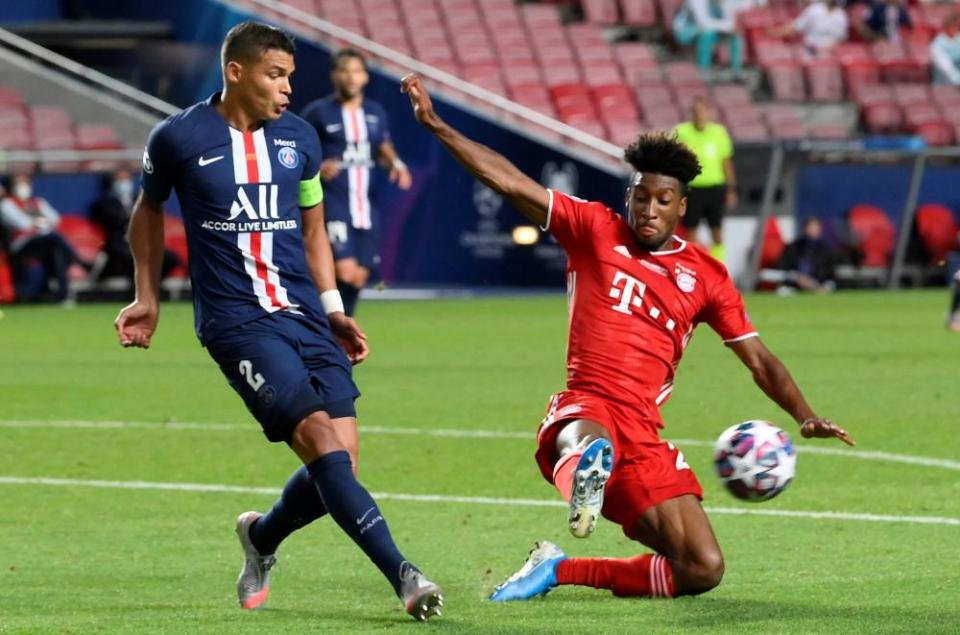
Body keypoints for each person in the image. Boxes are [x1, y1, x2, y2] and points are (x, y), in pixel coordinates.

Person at [401, 73, 855, 602]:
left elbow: (758, 359)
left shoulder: (706, 276)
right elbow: (510, 181)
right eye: (641, 198)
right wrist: (437, 126)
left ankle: (557, 568)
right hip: (588, 401)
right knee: (587, 439)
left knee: (701, 567)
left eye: (663, 200)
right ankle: (585, 478)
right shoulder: (594, 229)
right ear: (629, 197)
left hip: (643, 430)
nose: (650, 210)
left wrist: (804, 413)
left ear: (681, 206)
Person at [114, 22, 443, 621]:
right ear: (235, 72)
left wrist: (335, 308)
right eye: (276, 75)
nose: (288, 88)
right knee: (320, 442)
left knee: (341, 462)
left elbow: (313, 226)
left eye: (290, 75)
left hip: (304, 314)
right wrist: (147, 296)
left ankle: (262, 538)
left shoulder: (300, 139)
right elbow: (148, 209)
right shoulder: (179, 138)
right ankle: (405, 575)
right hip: (236, 322)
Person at [301, 48, 411, 316]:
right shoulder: (318, 113)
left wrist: (396, 164)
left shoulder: (375, 113)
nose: (351, 77)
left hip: (366, 207)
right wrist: (317, 168)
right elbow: (297, 152)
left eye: (357, 71)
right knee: (345, 271)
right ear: (334, 76)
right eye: (345, 71)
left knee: (360, 275)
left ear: (365, 77)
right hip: (333, 204)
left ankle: (337, 333)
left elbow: (382, 146)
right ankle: (328, 329)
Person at [0, 173, 90, 302]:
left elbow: (55, 219)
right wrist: (40, 222)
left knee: (56, 251)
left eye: (25, 183)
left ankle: (62, 295)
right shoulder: (7, 204)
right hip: (21, 246)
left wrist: (38, 223)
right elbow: (23, 224)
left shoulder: (38, 202)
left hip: (44, 242)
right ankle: (79, 262)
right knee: (53, 238)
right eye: (18, 183)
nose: (22, 187)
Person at [89, 169, 181, 291]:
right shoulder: (105, 202)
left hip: (141, 243)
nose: (124, 183)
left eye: (126, 179)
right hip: (119, 245)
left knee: (170, 258)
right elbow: (115, 219)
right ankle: (137, 294)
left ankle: (151, 287)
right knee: (131, 258)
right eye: (120, 180)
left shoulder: (138, 199)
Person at [673, 97, 735, 260]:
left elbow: (726, 162)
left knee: (717, 231)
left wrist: (731, 189)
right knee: (691, 231)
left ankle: (720, 269)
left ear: (708, 113)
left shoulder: (719, 132)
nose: (699, 115)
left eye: (702, 112)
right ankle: (693, 267)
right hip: (692, 188)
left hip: (715, 188)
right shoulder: (681, 132)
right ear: (691, 114)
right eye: (696, 112)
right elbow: (674, 160)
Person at [673, 0, 743, 75]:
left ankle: (736, 70)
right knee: (707, 32)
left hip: (710, 29)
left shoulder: (720, 2)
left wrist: (730, 27)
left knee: (734, 33)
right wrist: (727, 26)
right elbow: (703, 23)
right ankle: (703, 69)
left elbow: (730, 21)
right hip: (685, 31)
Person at [775, 217, 837, 294]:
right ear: (804, 229)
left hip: (818, 286)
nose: (813, 231)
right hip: (794, 285)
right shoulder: (794, 247)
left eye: (815, 228)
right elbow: (783, 267)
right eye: (810, 228)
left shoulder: (826, 249)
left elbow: (831, 274)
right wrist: (797, 277)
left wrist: (820, 286)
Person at [768, 0, 848, 58]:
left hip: (816, 55)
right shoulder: (841, 15)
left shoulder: (816, 10)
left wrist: (772, 33)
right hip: (827, 56)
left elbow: (793, 29)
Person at [930, 13, 960, 86]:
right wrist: (957, 79)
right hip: (943, 83)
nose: (953, 29)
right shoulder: (938, 43)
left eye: (955, 26)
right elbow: (945, 66)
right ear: (945, 27)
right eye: (951, 26)